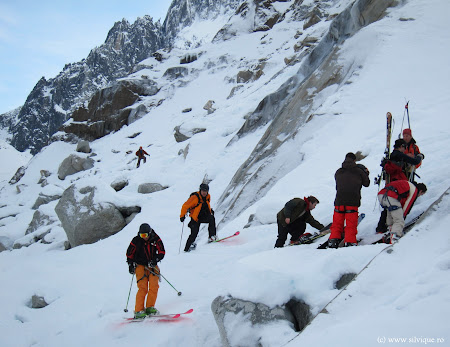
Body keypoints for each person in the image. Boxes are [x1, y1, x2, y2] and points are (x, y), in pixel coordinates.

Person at [376, 139, 424, 233]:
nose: (405, 150)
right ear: (401, 146)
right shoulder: (398, 155)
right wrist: (420, 156)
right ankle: (395, 229)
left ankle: (382, 228)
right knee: (399, 206)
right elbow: (414, 161)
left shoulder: (392, 155)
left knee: (388, 208)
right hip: (399, 183)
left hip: (391, 183)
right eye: (404, 148)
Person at [327, 152, 370, 248]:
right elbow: (367, 183)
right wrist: (365, 173)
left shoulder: (338, 171)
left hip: (339, 201)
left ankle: (333, 240)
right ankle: (350, 241)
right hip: (352, 201)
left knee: (337, 223)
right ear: (354, 160)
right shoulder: (358, 171)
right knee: (351, 224)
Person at [126, 223, 165, 319]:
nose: (144, 237)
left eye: (145, 235)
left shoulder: (156, 239)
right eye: (141, 235)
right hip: (140, 266)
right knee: (142, 288)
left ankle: (150, 307)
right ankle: (138, 310)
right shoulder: (136, 241)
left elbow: (161, 251)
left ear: (150, 233)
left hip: (152, 265)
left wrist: (155, 260)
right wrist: (130, 264)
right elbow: (129, 253)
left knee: (154, 286)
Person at [180, 183, 217, 252]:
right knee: (194, 234)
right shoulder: (195, 197)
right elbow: (185, 206)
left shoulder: (208, 196)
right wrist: (182, 216)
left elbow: (206, 205)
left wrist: (210, 211)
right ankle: (186, 249)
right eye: (203, 191)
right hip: (195, 218)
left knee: (211, 218)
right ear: (200, 190)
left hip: (203, 216)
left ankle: (212, 236)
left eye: (205, 191)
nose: (204, 192)